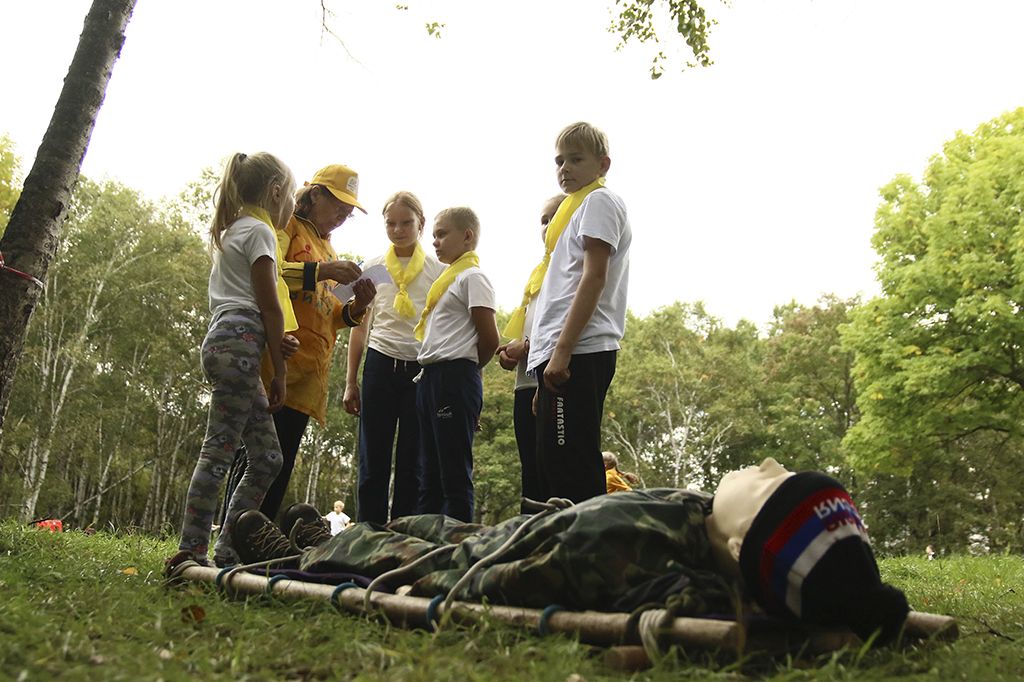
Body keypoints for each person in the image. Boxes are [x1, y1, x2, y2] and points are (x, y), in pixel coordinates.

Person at [234, 457, 910, 645]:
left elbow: (488, 584)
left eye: (770, 485)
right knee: (426, 522)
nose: (763, 466)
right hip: (510, 534)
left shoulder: (657, 560)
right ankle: (322, 538)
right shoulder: (701, 519)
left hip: (498, 560)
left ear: (743, 542)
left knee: (398, 553)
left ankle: (315, 550)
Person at [171, 151, 294, 568]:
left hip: (230, 341)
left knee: (267, 458)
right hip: (240, 343)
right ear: (277, 192)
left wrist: (273, 345)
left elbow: (254, 310)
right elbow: (270, 306)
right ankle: (191, 550)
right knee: (220, 449)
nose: (292, 204)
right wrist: (279, 368)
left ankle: (228, 548)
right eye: (292, 195)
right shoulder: (259, 230)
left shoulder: (234, 230)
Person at [257, 164, 377, 523]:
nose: (343, 214)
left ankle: (258, 538)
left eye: (348, 210)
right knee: (259, 459)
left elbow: (330, 313)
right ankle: (237, 533)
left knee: (282, 461)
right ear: (314, 194)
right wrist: (324, 271)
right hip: (276, 364)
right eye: (338, 204)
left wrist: (358, 307)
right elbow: (269, 273)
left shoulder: (328, 247)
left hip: (310, 375)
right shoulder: (286, 227)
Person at [527, 122, 631, 504]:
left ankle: (585, 554)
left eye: (576, 159)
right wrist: (541, 360)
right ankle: (557, 553)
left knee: (572, 468)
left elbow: (594, 277)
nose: (564, 168)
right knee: (551, 466)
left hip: (581, 350)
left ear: (603, 164)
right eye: (559, 161)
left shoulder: (599, 202)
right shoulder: (571, 213)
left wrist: (562, 351)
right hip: (558, 354)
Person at [344, 192, 445, 524]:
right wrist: (350, 382)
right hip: (379, 364)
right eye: (391, 223)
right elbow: (358, 325)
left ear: (421, 224)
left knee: (412, 461)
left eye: (406, 223)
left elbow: (446, 327)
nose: (398, 229)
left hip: (420, 370)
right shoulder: (371, 268)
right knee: (372, 458)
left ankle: (403, 536)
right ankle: (366, 533)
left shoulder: (439, 270)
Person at [413, 207, 499, 522]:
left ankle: (456, 549)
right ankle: (424, 548)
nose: (434, 242)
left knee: (453, 473)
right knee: (428, 475)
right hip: (429, 379)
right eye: (434, 235)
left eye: (441, 233)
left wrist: (467, 383)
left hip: (454, 376)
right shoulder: (445, 282)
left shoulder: (472, 277)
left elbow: (489, 339)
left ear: (467, 236)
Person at [496, 194, 564, 512]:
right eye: (544, 219)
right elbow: (535, 327)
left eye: (556, 217)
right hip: (526, 383)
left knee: (556, 469)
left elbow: (563, 326)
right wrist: (514, 352)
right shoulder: (539, 272)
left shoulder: (570, 267)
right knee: (531, 469)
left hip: (552, 380)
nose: (548, 225)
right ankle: (530, 545)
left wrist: (524, 347)